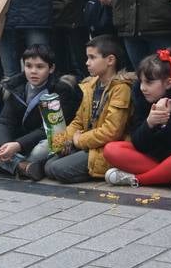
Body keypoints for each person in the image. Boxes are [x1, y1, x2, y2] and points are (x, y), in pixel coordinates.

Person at [103, 48, 171, 188]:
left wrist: (166, 123)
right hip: (151, 158)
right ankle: (170, 177)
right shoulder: (143, 99)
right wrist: (149, 123)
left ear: (169, 83)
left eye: (149, 83)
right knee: (111, 149)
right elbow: (138, 143)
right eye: (141, 82)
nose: (142, 88)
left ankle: (138, 179)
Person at [31, 35, 132, 183]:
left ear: (110, 60)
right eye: (87, 57)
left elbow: (112, 132)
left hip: (106, 148)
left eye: (92, 57)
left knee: (57, 169)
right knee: (49, 165)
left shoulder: (121, 89)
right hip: (88, 144)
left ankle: (111, 171)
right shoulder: (90, 85)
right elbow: (79, 120)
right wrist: (66, 140)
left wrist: (79, 141)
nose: (87, 62)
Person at [0, 44, 81, 176]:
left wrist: (18, 145)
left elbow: (48, 130)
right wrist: (3, 146)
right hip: (18, 141)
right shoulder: (17, 85)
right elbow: (5, 122)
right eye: (28, 66)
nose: (33, 71)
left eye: (40, 67)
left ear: (51, 68)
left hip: (42, 140)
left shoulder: (60, 89)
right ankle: (21, 166)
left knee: (45, 147)